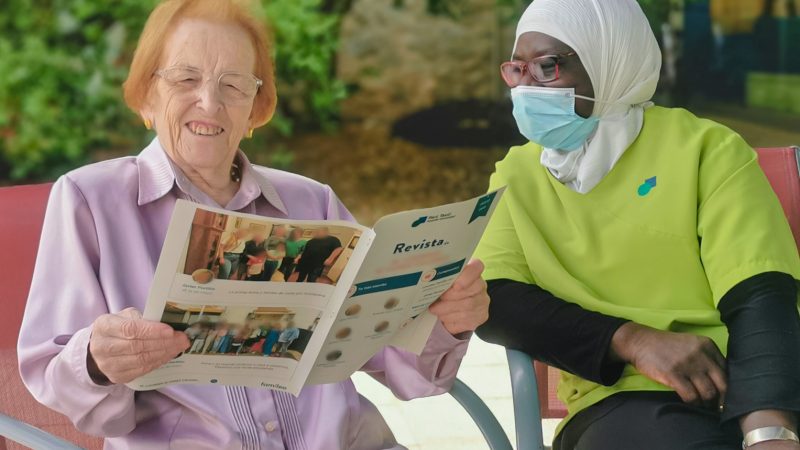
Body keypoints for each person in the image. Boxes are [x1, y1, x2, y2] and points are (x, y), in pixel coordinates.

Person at [17, 1, 491, 448]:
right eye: (185, 78)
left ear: (255, 109)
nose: (209, 102)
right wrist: (97, 361)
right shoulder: (90, 200)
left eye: (234, 85)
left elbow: (395, 359)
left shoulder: (313, 201)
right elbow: (53, 375)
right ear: (146, 96)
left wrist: (445, 321)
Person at [473, 1, 800, 450]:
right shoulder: (517, 175)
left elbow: (759, 293)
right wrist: (631, 340)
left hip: (758, 383)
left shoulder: (705, 149)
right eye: (517, 70)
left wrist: (768, 430)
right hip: (625, 401)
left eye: (547, 67)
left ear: (611, 62)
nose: (526, 88)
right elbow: (495, 299)